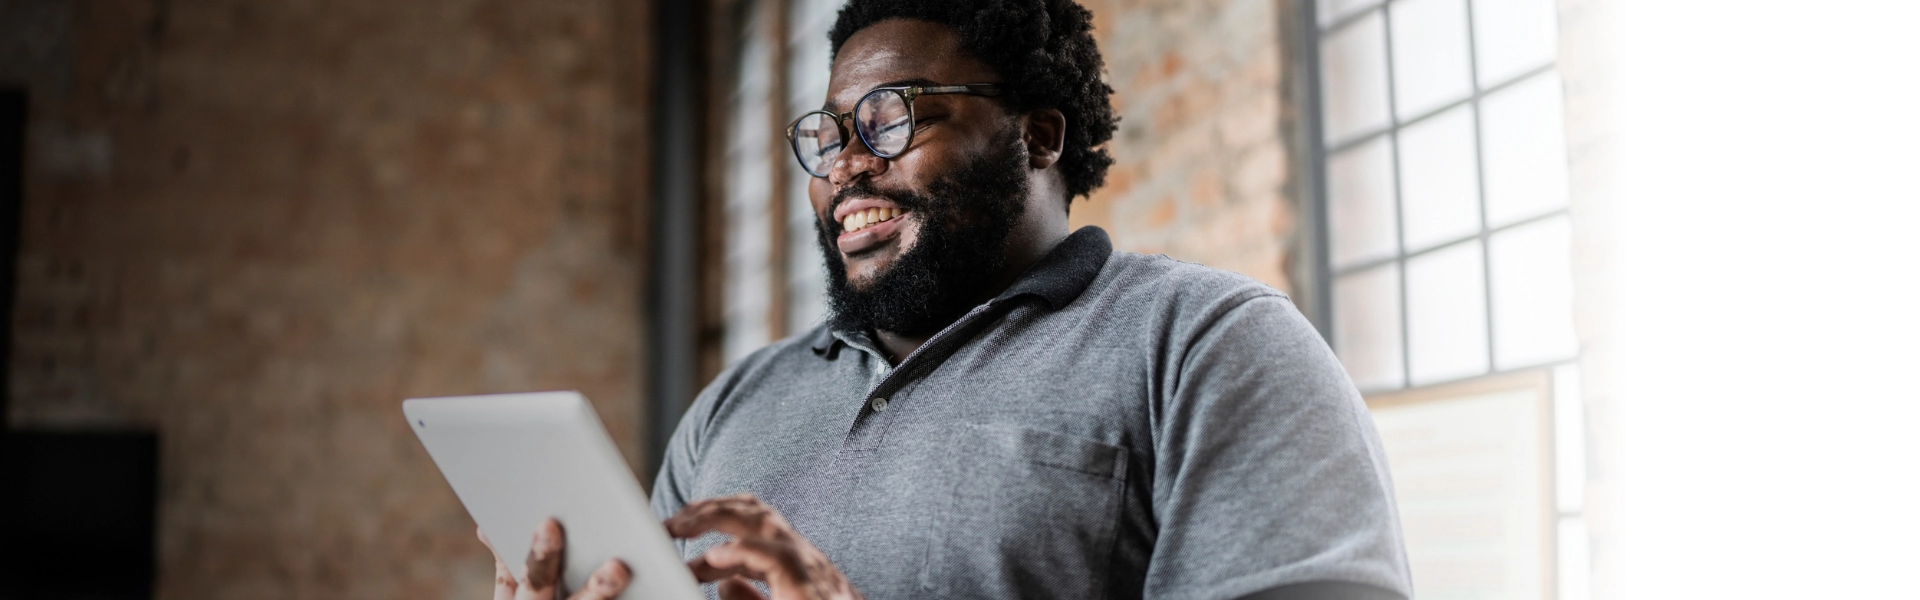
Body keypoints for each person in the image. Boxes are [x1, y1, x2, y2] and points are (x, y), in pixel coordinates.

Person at [486, 1, 1412, 598]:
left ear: (1038, 136)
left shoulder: (1205, 346)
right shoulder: (733, 404)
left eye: (892, 116)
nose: (845, 164)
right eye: (828, 135)